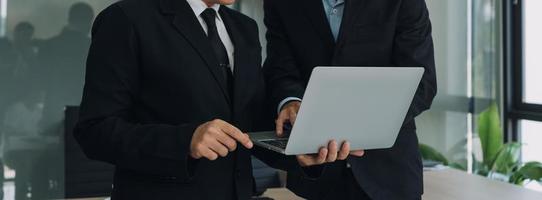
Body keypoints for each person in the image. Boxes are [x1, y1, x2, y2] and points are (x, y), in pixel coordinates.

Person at [75, 0, 265, 199]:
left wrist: (292, 131)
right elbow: (95, 130)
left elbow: (252, 119)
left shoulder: (246, 27)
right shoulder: (126, 18)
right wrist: (185, 142)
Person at [263, 0, 438, 199]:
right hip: (317, 175)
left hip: (390, 174)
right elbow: (280, 68)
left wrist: (357, 124)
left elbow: (422, 84)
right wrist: (290, 101)